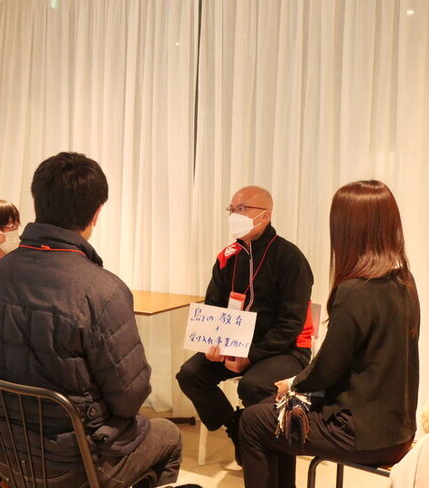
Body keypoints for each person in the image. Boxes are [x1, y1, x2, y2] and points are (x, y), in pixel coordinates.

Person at [0, 152, 182, 488]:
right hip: (76, 465)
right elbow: (130, 397)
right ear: (96, 213)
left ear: (37, 202)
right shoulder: (103, 291)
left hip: (6, 454)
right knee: (169, 436)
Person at [239, 180, 420, 488]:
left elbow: (327, 369)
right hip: (398, 430)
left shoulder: (355, 291)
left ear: (347, 229)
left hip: (358, 434)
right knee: (272, 412)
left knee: (254, 422)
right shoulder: (404, 280)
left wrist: (293, 383)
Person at [176, 186, 314, 464]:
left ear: (265, 215)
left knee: (252, 386)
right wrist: (213, 344)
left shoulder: (290, 258)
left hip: (285, 349)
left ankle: (264, 445)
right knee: (190, 374)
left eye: (242, 209)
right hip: (235, 346)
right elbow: (214, 308)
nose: (234, 215)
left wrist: (250, 356)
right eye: (232, 209)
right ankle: (237, 428)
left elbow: (291, 324)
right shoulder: (228, 257)